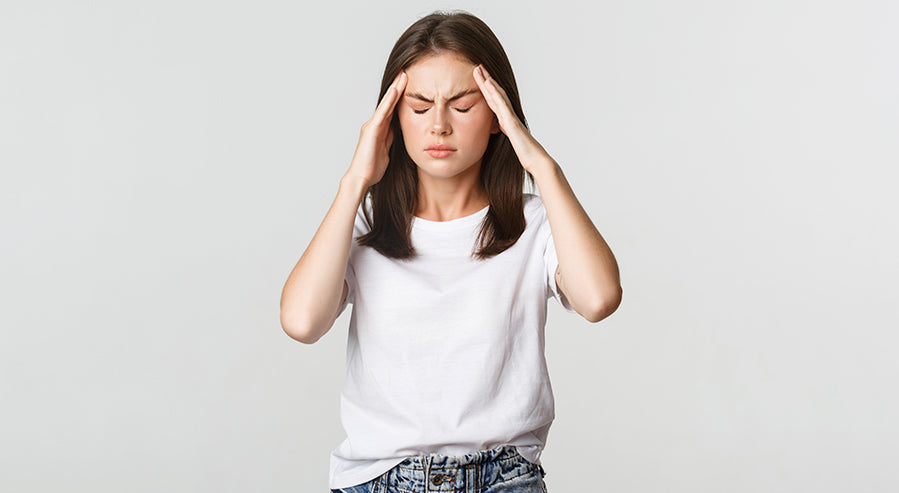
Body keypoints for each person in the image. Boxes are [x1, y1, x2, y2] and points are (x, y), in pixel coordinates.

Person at [280, 10, 622, 493]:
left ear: (498, 114)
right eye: (419, 107)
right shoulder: (364, 224)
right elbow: (301, 322)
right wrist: (355, 181)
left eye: (462, 106)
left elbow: (600, 299)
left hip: (504, 480)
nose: (438, 125)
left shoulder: (536, 225)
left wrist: (541, 165)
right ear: (393, 117)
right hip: (377, 480)